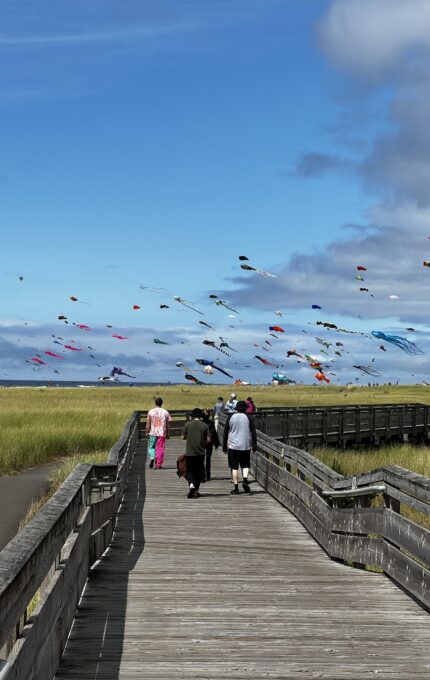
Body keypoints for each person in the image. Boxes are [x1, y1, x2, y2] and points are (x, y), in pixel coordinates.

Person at [223, 400, 257, 495]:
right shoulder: (249, 417)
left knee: (234, 467)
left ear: (236, 408)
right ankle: (245, 480)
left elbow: (225, 433)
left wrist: (224, 447)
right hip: (245, 445)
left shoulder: (230, 417)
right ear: (245, 409)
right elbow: (253, 432)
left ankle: (236, 488)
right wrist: (254, 446)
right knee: (245, 465)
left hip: (233, 446)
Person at [182, 408, 210, 498]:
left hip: (190, 451)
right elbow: (209, 440)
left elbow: (183, 437)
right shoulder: (205, 426)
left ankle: (191, 484)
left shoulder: (187, 424)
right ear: (200, 416)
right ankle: (197, 490)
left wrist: (188, 437)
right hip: (201, 452)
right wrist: (203, 442)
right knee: (199, 471)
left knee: (189, 469)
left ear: (192, 416)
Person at [146, 397, 171, 469]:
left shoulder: (150, 411)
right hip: (161, 433)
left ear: (155, 403)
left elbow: (148, 423)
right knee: (160, 448)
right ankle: (158, 464)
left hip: (153, 432)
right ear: (162, 403)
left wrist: (147, 431)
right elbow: (168, 424)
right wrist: (168, 433)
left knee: (152, 447)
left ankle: (152, 457)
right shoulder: (165, 412)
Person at [202, 408, 220, 481]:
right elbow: (214, 433)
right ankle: (208, 475)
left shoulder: (201, 423)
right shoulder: (211, 423)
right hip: (209, 442)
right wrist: (216, 444)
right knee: (208, 459)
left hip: (202, 442)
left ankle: (203, 475)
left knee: (202, 459)